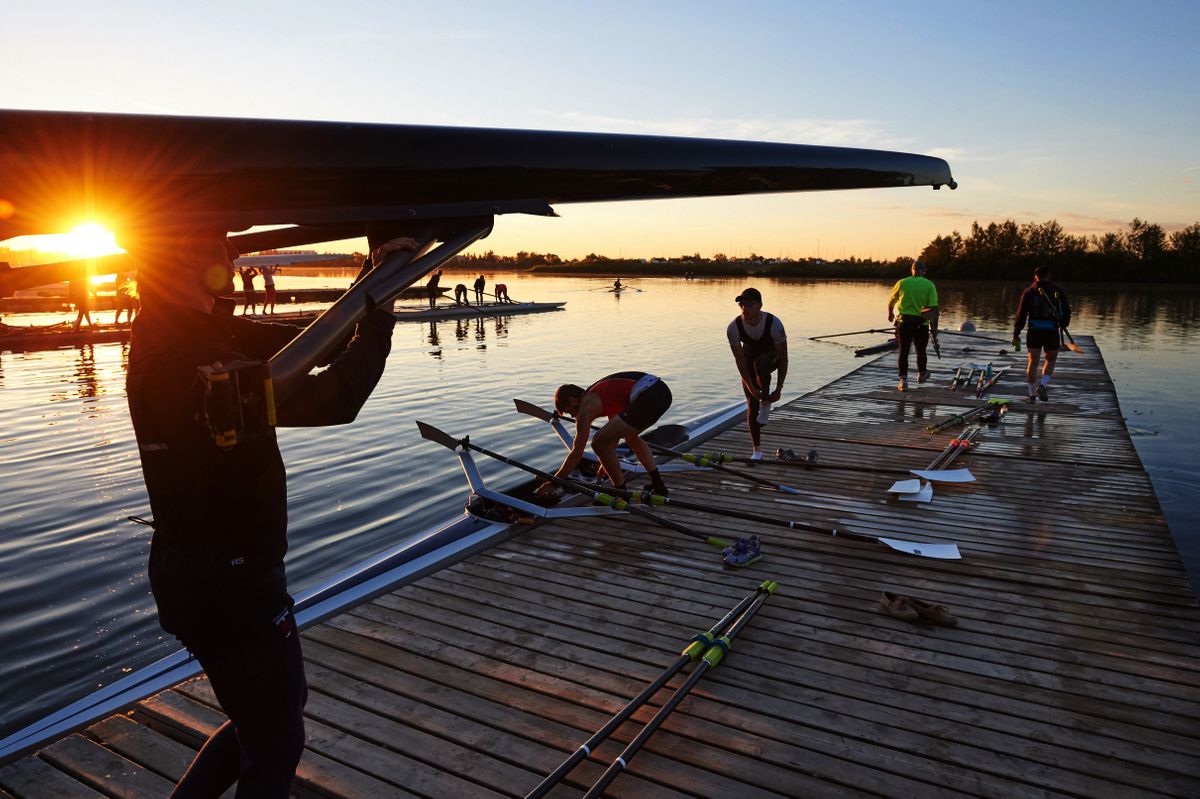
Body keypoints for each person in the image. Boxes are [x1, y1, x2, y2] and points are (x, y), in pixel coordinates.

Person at [125, 229, 420, 797]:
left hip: (204, 572)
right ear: (188, 254)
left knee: (264, 722)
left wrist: (374, 277)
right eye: (221, 243)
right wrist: (381, 312)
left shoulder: (178, 328)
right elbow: (336, 397)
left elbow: (314, 342)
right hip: (230, 580)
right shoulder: (189, 358)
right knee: (277, 738)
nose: (232, 257)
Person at [542, 372, 672, 496]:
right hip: (663, 393)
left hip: (648, 394)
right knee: (630, 437)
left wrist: (553, 481)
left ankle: (620, 493)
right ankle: (658, 484)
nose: (573, 416)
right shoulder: (604, 395)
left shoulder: (586, 405)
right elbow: (613, 436)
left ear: (573, 401)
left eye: (569, 411)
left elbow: (577, 453)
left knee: (597, 442)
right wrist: (606, 463)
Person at [727, 287, 788, 460]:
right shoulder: (733, 328)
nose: (745, 308)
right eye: (742, 305)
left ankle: (766, 401)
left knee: (760, 364)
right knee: (750, 403)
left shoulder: (774, 324)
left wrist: (779, 388)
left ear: (760, 306)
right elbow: (739, 361)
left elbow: (784, 358)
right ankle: (757, 451)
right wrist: (751, 387)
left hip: (771, 359)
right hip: (749, 362)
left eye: (750, 305)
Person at [1013, 265, 1071, 403]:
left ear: (1035, 277)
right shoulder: (1058, 290)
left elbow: (1021, 315)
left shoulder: (1028, 292)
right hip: (1051, 332)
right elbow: (1067, 311)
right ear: (1048, 276)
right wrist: (1063, 324)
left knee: (1032, 362)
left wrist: (1016, 333)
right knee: (1050, 360)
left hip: (1034, 332)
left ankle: (1031, 395)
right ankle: (1043, 386)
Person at [886, 261, 939, 391]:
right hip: (921, 324)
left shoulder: (902, 282)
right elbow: (933, 310)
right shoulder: (929, 284)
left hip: (903, 323)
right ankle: (921, 374)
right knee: (921, 351)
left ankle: (903, 381)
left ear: (912, 270)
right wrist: (934, 332)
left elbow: (891, 300)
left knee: (903, 352)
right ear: (923, 271)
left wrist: (890, 314)